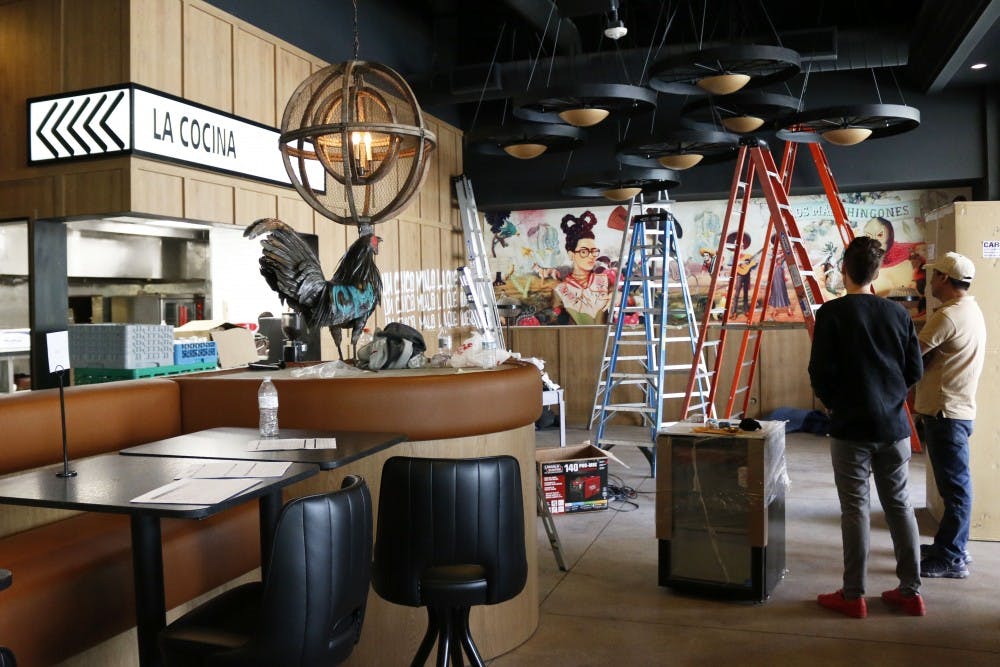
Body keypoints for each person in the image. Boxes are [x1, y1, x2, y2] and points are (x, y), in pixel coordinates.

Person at [808, 236, 925, 618]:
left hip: (849, 428)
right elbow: (915, 370)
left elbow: (819, 373)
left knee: (855, 509)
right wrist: (890, 396)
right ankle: (911, 592)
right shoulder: (899, 315)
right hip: (893, 426)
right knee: (900, 505)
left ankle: (853, 595)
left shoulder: (831, 314)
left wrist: (835, 403)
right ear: (877, 273)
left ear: (844, 270)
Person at [914, 251, 986, 579]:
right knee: (953, 487)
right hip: (956, 411)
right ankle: (950, 544)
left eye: (933, 274)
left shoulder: (948, 317)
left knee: (955, 489)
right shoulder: (969, 309)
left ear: (944, 278)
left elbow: (912, 357)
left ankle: (952, 557)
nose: (929, 280)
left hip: (946, 414)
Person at [552, 211, 612, 325]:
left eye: (594, 251)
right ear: (571, 255)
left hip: (606, 338)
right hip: (576, 339)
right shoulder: (560, 290)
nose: (591, 256)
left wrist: (617, 295)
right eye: (584, 251)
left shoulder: (604, 280)